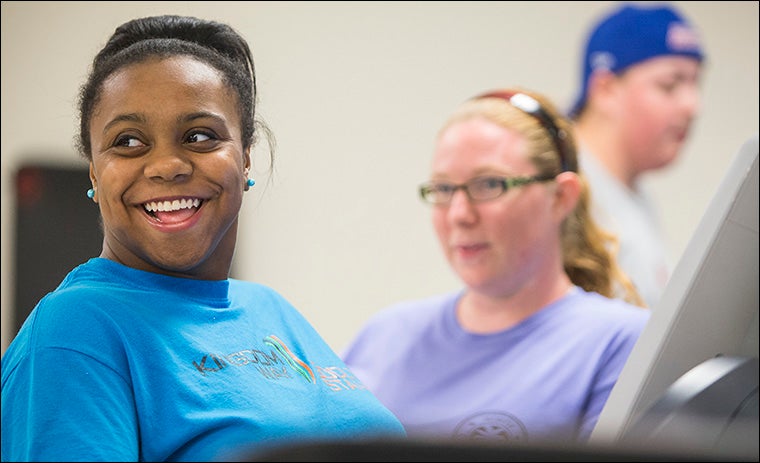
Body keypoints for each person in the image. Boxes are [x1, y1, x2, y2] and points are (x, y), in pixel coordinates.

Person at [0, 15, 405, 462]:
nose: (167, 164)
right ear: (95, 172)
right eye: (129, 141)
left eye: (199, 136)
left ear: (246, 159)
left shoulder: (271, 310)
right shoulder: (75, 331)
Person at [342, 87, 650, 444]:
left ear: (561, 197)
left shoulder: (620, 344)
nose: (459, 214)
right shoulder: (384, 337)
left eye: (489, 184)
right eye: (443, 189)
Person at [568, 3, 705, 308]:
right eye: (670, 85)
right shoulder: (563, 195)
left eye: (696, 84)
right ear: (605, 90)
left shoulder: (632, 195)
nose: (693, 106)